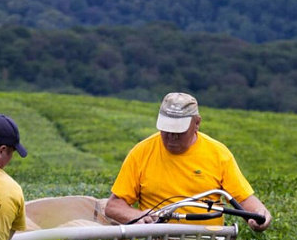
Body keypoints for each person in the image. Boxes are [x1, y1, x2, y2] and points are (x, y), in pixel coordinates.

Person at [105, 92, 272, 231]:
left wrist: (259, 214)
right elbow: (113, 206)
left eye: (179, 131)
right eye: (167, 130)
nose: (171, 136)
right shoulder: (141, 152)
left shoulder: (218, 154)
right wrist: (137, 215)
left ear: (197, 123)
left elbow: (243, 199)